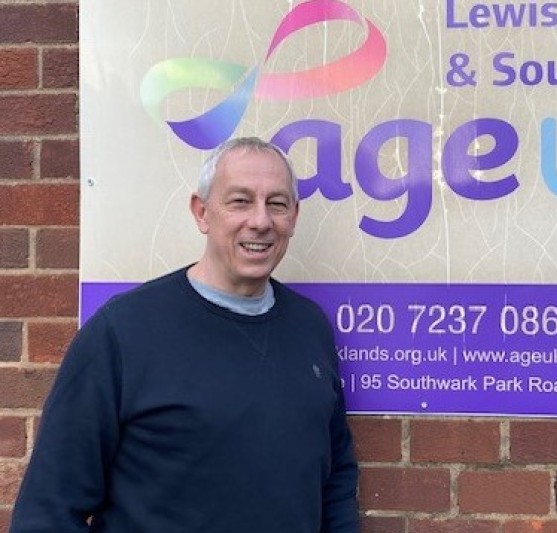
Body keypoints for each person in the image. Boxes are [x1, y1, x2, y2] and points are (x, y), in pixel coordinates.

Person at [10, 137, 360, 532]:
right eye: (240, 201)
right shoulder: (123, 333)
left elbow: (336, 478)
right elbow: (49, 509)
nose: (261, 221)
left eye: (276, 203)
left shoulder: (309, 328)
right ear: (202, 212)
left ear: (293, 216)